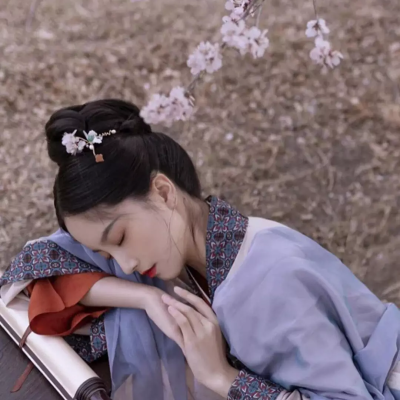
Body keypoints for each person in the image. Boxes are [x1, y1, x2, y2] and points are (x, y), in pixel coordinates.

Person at [1, 99, 400, 400]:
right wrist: (143, 297)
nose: (126, 264)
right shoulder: (195, 248)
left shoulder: (269, 281)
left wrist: (223, 378)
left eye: (120, 238)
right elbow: (41, 266)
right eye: (107, 256)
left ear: (163, 192)